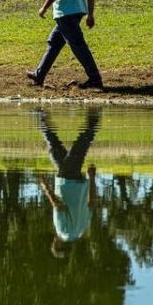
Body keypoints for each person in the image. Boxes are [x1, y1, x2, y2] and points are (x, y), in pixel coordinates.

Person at [35, 108, 101, 258]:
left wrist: (91, 179)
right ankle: (94, 118)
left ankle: (41, 117)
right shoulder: (63, 232)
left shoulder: (81, 231)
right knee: (79, 146)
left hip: (74, 180)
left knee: (54, 147)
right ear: (57, 245)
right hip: (67, 181)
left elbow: (92, 204)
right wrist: (46, 188)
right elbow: (59, 207)